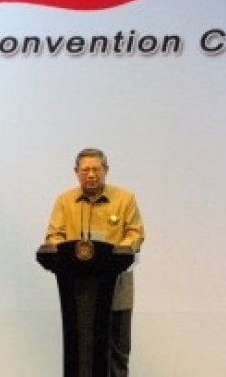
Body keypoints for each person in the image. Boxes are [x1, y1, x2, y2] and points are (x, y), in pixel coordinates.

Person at [45, 148, 145, 377]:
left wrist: (116, 252)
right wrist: (65, 248)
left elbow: (136, 234)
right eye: (85, 170)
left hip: (117, 290)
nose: (91, 174)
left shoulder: (125, 199)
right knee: (80, 351)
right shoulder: (65, 201)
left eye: (96, 169)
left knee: (118, 351)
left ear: (106, 171)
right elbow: (53, 236)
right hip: (79, 294)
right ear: (76, 172)